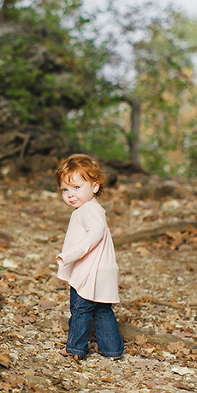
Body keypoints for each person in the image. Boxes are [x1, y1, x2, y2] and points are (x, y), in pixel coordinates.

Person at [54, 154, 124, 360]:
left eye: (77, 188)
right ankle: (112, 349)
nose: (70, 194)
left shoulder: (86, 211)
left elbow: (95, 234)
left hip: (89, 271)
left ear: (94, 187)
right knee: (102, 311)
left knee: (80, 310)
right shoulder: (93, 209)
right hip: (103, 269)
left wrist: (69, 254)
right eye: (65, 190)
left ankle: (75, 348)